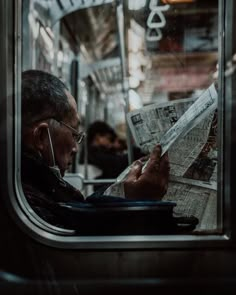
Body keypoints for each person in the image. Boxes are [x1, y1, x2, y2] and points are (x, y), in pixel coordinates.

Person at [21, 70, 170, 229]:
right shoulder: (28, 206)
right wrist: (137, 203)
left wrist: (122, 195)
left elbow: (82, 212)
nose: (76, 148)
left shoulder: (43, 187)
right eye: (74, 134)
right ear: (41, 137)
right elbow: (77, 244)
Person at [79, 120, 145, 191]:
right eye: (109, 139)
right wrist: (133, 150)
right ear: (98, 137)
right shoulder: (90, 153)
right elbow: (116, 164)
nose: (110, 143)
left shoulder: (93, 151)